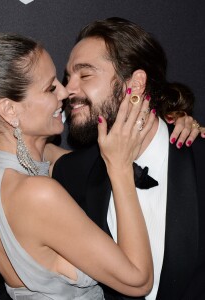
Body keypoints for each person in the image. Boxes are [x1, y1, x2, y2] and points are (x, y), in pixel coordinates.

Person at [0, 32, 199, 300]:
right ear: (9, 110)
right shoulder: (38, 194)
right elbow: (139, 281)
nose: (65, 93)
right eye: (50, 88)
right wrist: (120, 168)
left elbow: (52, 156)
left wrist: (172, 113)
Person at [52, 17, 205, 300]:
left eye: (84, 75)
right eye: (67, 77)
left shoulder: (198, 158)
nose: (67, 91)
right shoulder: (69, 175)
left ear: (136, 83)